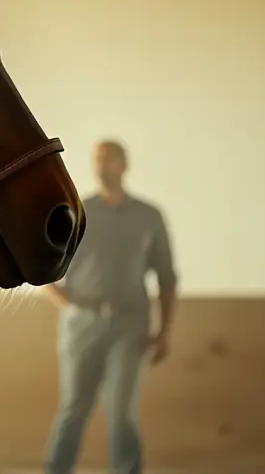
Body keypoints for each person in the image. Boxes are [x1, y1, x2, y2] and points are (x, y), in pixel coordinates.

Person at [42, 140, 178, 474]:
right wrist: (67, 306)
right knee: (74, 407)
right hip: (82, 324)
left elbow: (166, 276)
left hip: (130, 324)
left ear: (124, 163)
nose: (102, 165)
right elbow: (43, 266)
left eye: (109, 158)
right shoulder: (76, 212)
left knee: (121, 411)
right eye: (97, 159)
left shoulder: (148, 216)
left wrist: (164, 332)